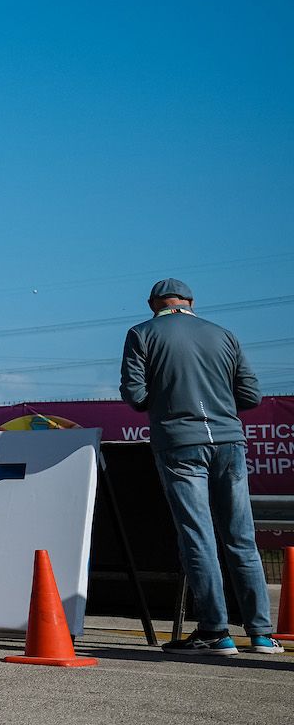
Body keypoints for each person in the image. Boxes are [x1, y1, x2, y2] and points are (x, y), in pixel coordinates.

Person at [121, 278, 277, 654]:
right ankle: (261, 634)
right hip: (228, 441)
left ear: (152, 304)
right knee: (241, 539)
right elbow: (251, 395)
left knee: (198, 537)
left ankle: (214, 631)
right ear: (191, 302)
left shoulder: (141, 334)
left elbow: (136, 395)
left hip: (180, 442)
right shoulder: (223, 334)